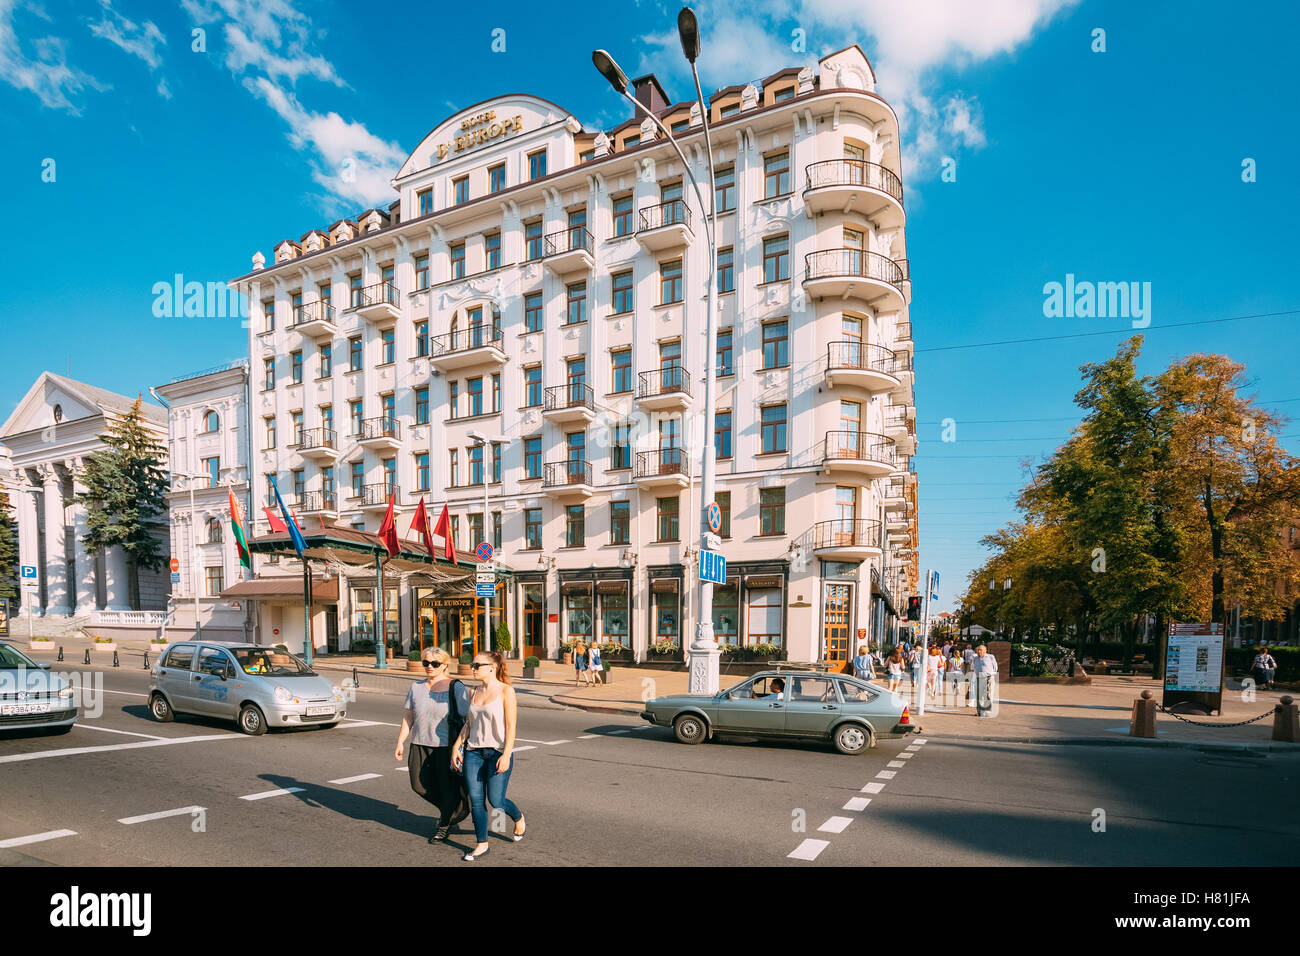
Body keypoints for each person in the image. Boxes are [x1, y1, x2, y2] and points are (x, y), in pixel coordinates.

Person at [451, 651, 526, 861]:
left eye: (477, 665)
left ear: (492, 668)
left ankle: (518, 817)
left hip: (497, 752)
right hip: (474, 752)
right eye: (472, 665)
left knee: (496, 801)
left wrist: (507, 754)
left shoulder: (506, 691)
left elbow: (511, 727)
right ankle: (481, 844)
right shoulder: (474, 691)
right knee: (476, 800)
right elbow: (469, 723)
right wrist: (457, 745)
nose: (472, 669)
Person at [395, 648, 471, 842]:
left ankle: (444, 824)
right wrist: (401, 741)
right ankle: (454, 808)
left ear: (445, 665)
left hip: (445, 746)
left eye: (435, 663)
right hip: (419, 743)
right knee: (418, 785)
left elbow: (468, 718)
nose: (429, 667)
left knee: (446, 787)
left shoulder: (455, 687)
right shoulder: (416, 687)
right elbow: (409, 716)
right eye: (426, 663)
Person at [973, 644, 999, 717]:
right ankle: (980, 711)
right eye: (978, 650)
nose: (978, 651)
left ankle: (987, 711)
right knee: (978, 696)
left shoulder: (990, 657)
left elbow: (995, 667)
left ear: (985, 650)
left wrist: (990, 674)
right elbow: (975, 667)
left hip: (988, 677)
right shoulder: (975, 658)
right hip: (978, 677)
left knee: (988, 694)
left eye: (980, 650)